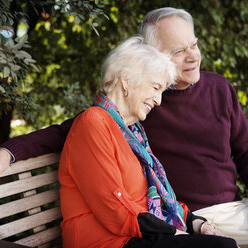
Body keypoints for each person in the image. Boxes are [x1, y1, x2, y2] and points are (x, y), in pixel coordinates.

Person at [0, 7, 248, 248]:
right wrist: (7, 152)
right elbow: (66, 132)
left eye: (194, 44)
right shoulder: (132, 108)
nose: (193, 56)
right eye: (180, 50)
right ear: (151, 59)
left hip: (221, 212)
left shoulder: (216, 89)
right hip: (171, 221)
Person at [58, 35, 237, 247]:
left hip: (131, 235)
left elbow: (155, 196)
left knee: (222, 243)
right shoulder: (92, 123)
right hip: (104, 242)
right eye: (155, 88)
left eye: (162, 91)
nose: (159, 101)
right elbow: (113, 208)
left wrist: (196, 223)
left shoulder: (132, 133)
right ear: (125, 81)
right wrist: (175, 234)